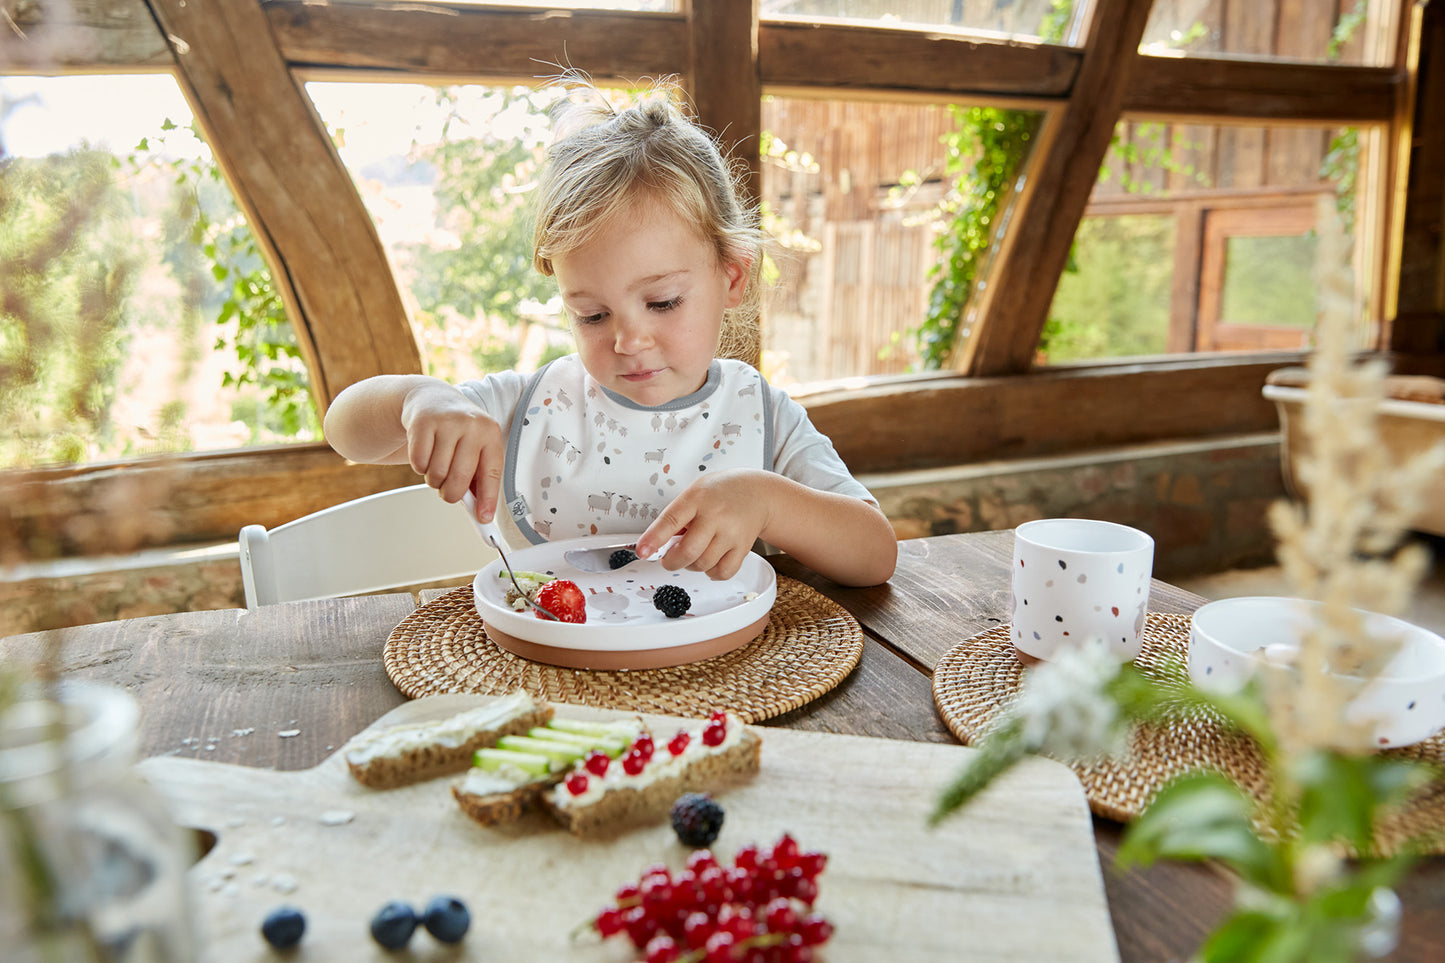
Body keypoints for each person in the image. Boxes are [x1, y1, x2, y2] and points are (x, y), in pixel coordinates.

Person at [323, 78, 896, 587]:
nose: (628, 340)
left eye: (663, 302)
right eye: (592, 316)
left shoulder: (762, 415)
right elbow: (345, 431)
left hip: (718, 681)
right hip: (550, 680)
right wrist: (421, 398)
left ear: (732, 278)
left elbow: (874, 555)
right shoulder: (524, 409)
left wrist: (770, 502)